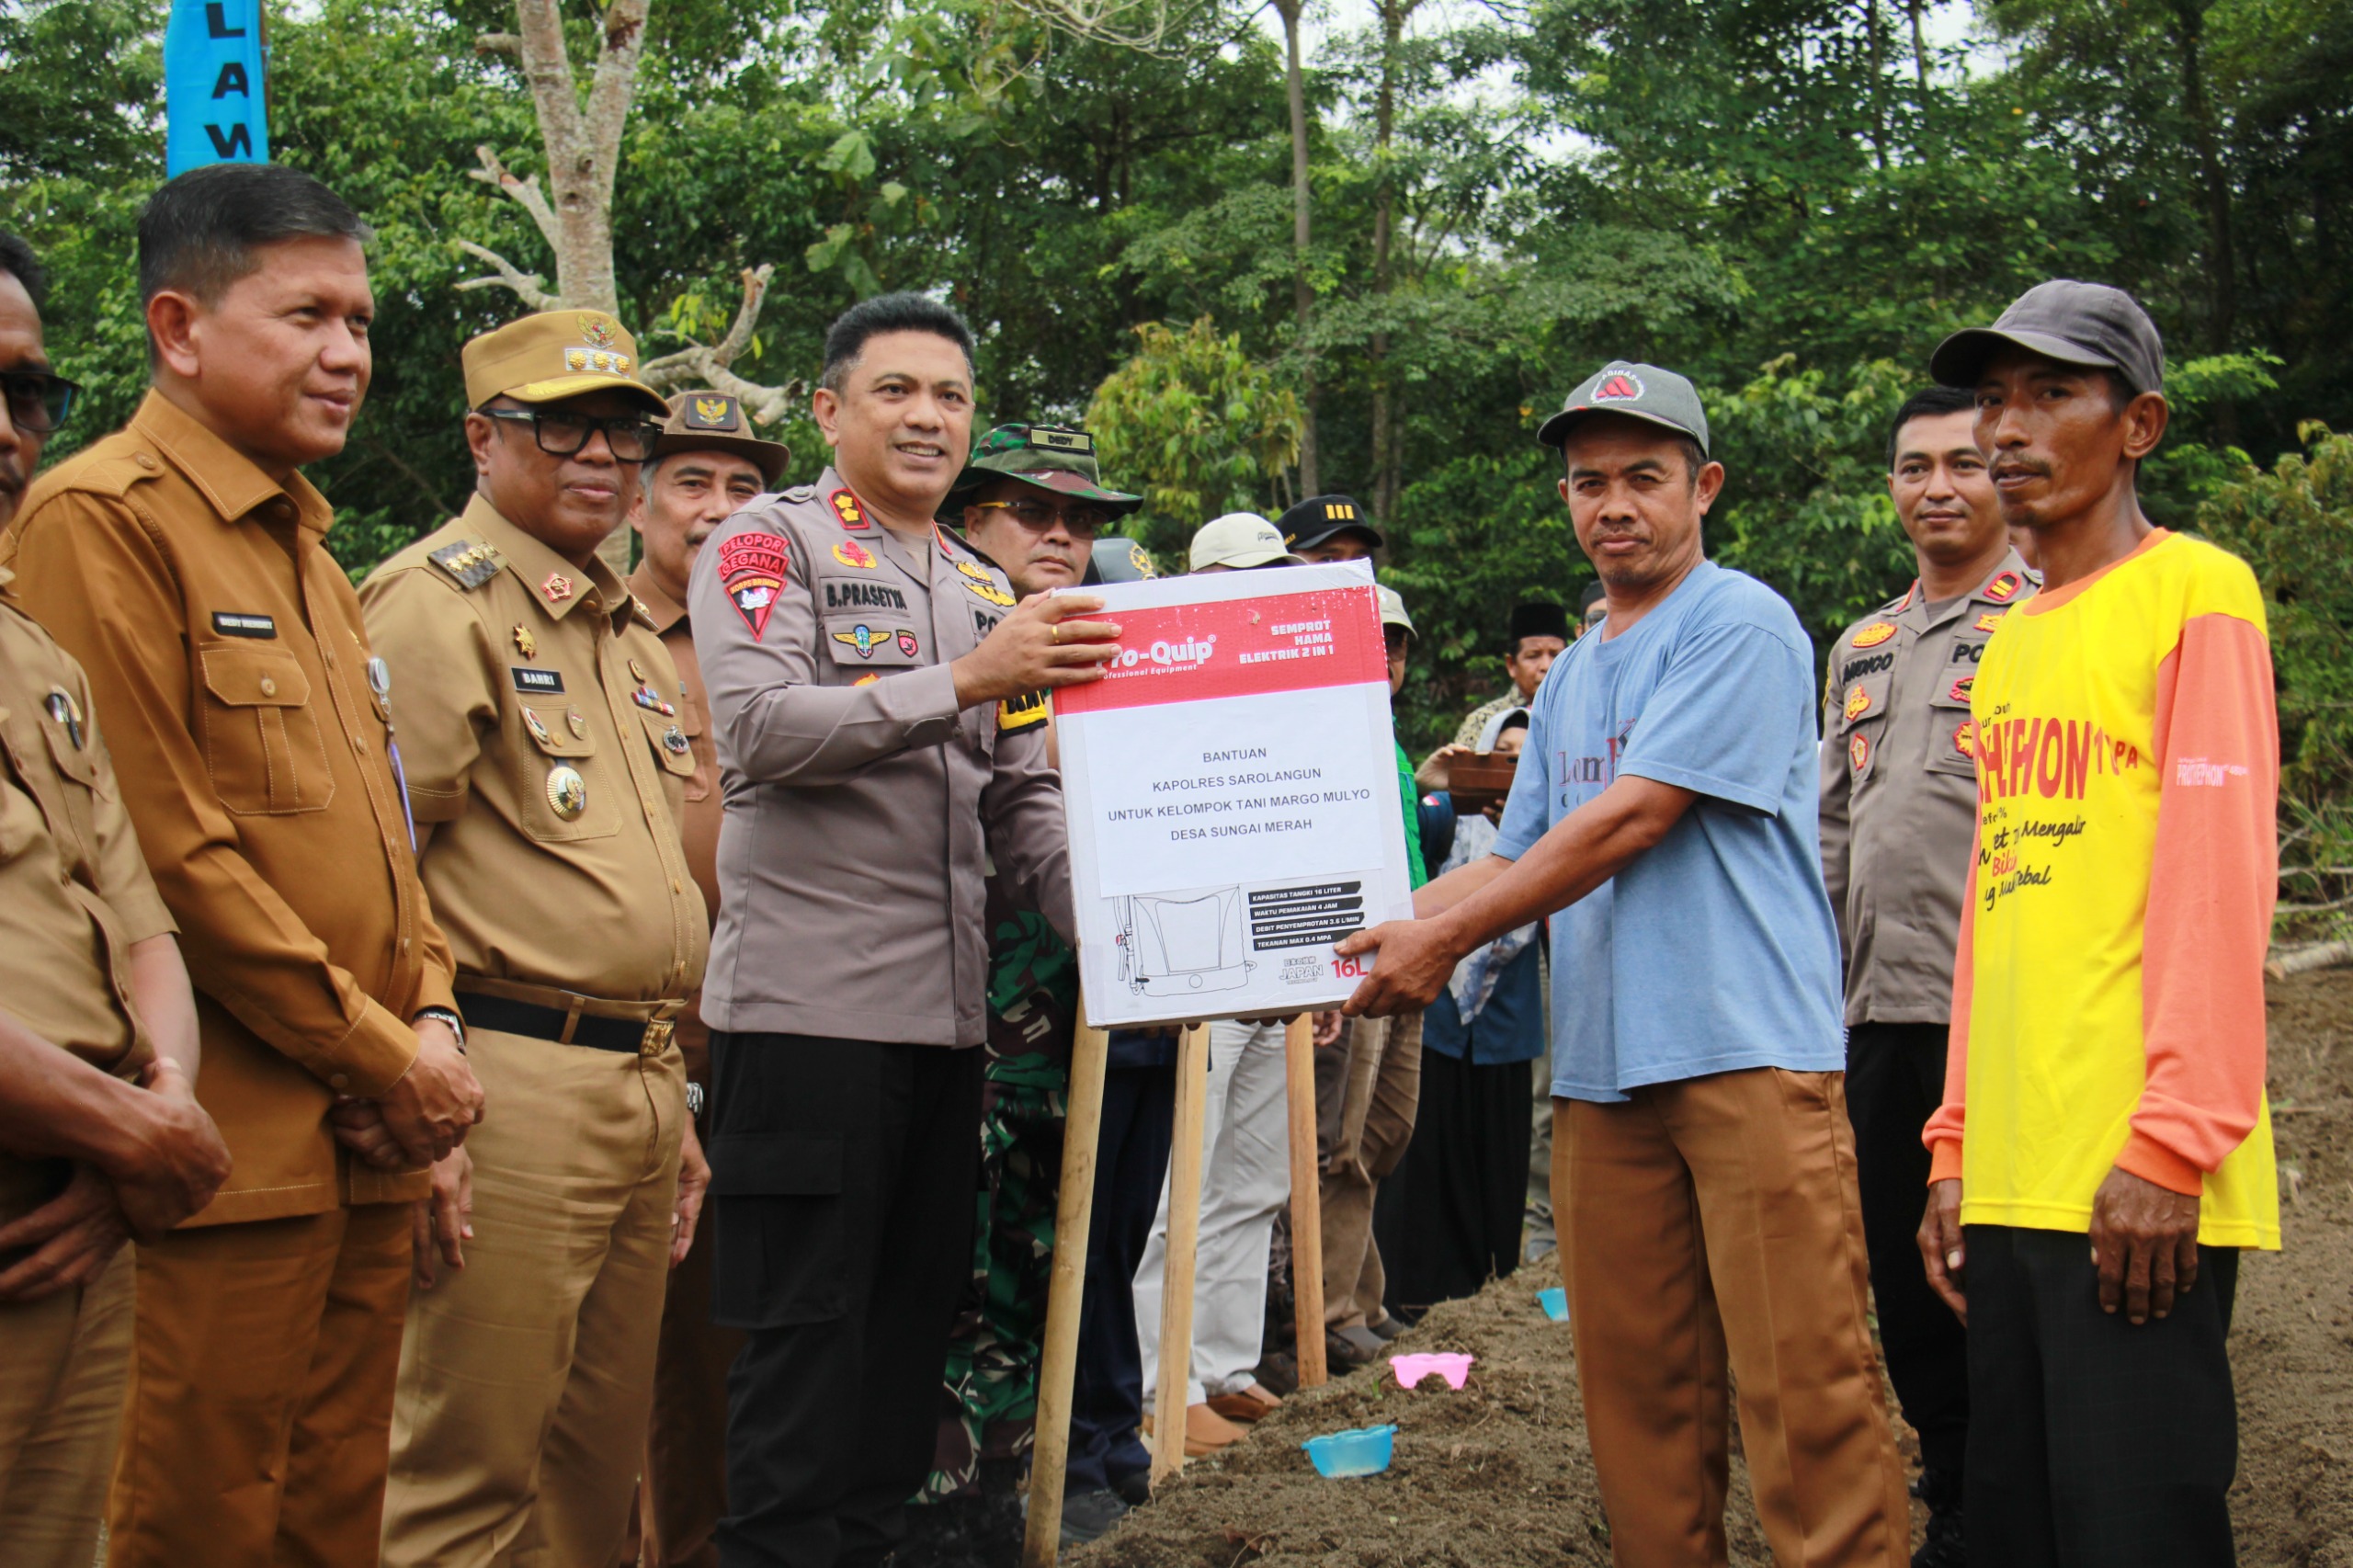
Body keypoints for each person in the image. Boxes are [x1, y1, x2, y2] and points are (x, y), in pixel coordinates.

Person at [1336, 359, 1910, 1565]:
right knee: (1642, 1403)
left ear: (1701, 486)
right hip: (1602, 1072)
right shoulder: (1580, 668)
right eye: (1588, 482)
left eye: (1643, 477)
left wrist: (1438, 939)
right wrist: (1352, 932)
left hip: (1743, 1051)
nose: (1613, 505)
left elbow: (1635, 816)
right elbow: (1517, 856)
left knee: (1802, 1393)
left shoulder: (1738, 622)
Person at [1, 163, 484, 1568]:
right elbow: (167, 859)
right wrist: (386, 1055)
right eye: (305, 315)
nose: (347, 353)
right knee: (191, 1525)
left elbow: (391, 846)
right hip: (220, 1156)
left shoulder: (318, 555)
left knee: (332, 1524)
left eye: (360, 317)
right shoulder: (104, 520)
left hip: (370, 1147)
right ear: (178, 327)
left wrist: (431, 1028)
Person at [689, 292, 1114, 1568]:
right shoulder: (770, 545)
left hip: (945, 1038)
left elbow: (1029, 807)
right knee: (802, 1361)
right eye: (896, 391)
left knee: (901, 1356)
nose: (928, 416)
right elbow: (760, 732)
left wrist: (1147, 941)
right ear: (830, 409)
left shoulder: (991, 590)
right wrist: (965, 681)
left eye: (950, 396)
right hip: (805, 1023)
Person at [1919, 281, 2280, 1566]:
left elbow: (2216, 883)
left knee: (2139, 1533)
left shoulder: (2199, 594)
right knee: (2021, 1529)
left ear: (2139, 425)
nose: (2007, 430)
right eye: (1995, 399)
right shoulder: (2010, 642)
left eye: (2052, 395)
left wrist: (2173, 1147)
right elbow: (1996, 907)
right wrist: (1954, 1141)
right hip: (2015, 1175)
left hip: (2134, 1176)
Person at [361, 311, 710, 1568]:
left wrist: (676, 1107)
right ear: (480, 436)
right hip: (503, 1080)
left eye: (623, 429)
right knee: (462, 1468)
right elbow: (374, 873)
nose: (601, 455)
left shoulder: (616, 632)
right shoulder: (434, 603)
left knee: (590, 1475)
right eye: (561, 424)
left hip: (640, 1076)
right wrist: (419, 1093)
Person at [0, 229, 233, 1568]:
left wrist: (154, 1114)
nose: (9, 430)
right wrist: (132, 1131)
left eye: (28, 394)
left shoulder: (31, 651)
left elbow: (137, 916)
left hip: (80, 1211)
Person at [905, 423, 1143, 1564]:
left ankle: (1010, 1492)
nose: (1063, 537)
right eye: (1032, 513)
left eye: (1084, 521)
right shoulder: (928, 629)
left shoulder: (1109, 649)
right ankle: (931, 1502)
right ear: (967, 517)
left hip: (1066, 1007)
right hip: (943, 1007)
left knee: (1046, 1249)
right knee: (944, 1260)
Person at [1818, 383, 2031, 1566]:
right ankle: (1952, 1484)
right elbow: (1831, 836)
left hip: (1995, 1013)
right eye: (1913, 466)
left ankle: (2020, 1485)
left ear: (2002, 476)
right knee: (1906, 1269)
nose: (1937, 486)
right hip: (1876, 1015)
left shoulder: (2042, 624)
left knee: (1999, 1263)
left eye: (1963, 462)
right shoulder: (1863, 645)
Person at [619, 391, 789, 1568]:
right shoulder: (593, 633)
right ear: (636, 495)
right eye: (691, 482)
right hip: (634, 1042)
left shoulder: (782, 635)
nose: (720, 510)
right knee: (630, 1354)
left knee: (732, 1345)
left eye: (743, 489)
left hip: (767, 1034)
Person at [1132, 511, 1305, 1457]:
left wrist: (1315, 968)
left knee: (1256, 1177)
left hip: (1274, 965)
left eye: (1271, 574)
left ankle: (1223, 1367)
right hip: (1193, 963)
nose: (1256, 590)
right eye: (1238, 575)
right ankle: (1162, 1387)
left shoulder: (1297, 695)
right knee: (1178, 1189)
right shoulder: (1162, 685)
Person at [1060, 535, 1177, 1542]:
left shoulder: (1167, 715)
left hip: (1158, 1018)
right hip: (1064, 1018)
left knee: (1128, 1230)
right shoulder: (1045, 695)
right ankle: (1076, 1449)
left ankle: (1116, 1433)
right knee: (1079, 1244)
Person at [1374, 709, 1541, 1319]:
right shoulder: (1443, 812)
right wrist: (1435, 783)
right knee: (1425, 1152)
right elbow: (1411, 860)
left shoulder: (1552, 822)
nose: (1510, 769)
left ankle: (1488, 1290)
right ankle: (1413, 1292)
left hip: (1507, 1016)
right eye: (1500, 754)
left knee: (1496, 1157)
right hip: (1442, 1005)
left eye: (1525, 758)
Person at [1314, 583, 1428, 1368]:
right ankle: (1323, 1314)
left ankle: (1364, 1294)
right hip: (1356, 961)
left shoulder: (1388, 743)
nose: (1383, 658)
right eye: (1368, 640)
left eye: (1395, 644)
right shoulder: (1321, 736)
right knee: (1342, 1141)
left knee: (1387, 1132)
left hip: (1414, 950)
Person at [1418, 602, 1569, 791]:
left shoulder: (1580, 718)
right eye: (1533, 656)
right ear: (1511, 665)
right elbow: (1461, 790)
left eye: (1556, 655)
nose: (1546, 666)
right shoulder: (1482, 721)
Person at [1277, 492, 1382, 563]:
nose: (1349, 570)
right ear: (1288, 562)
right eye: (1328, 560)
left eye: (1359, 561)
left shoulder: (1383, 596)